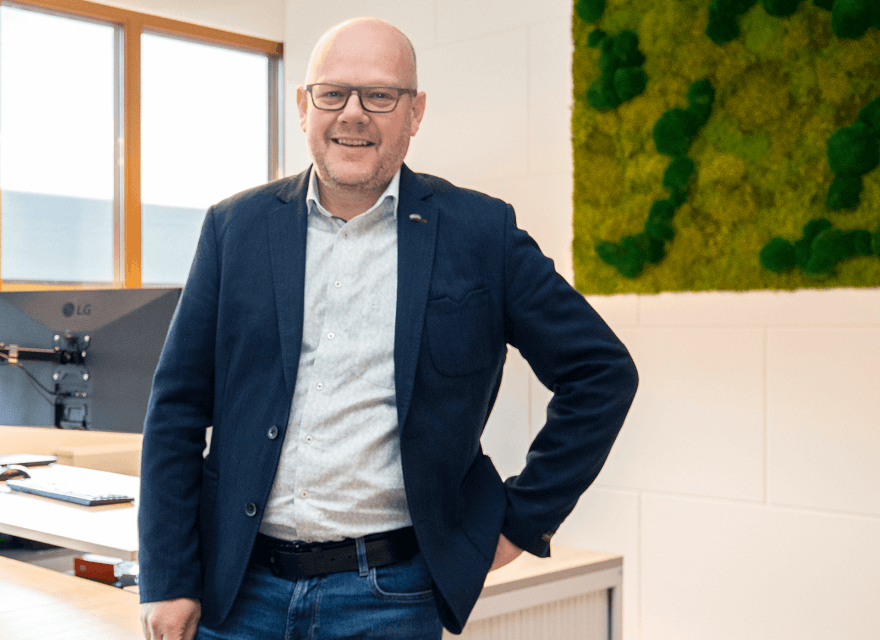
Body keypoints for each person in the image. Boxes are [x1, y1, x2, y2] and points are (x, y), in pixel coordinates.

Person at [138, 17, 638, 640]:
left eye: (379, 95)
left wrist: (522, 520)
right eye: (333, 93)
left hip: (390, 599)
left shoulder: (481, 234)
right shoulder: (234, 229)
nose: (353, 114)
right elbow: (176, 409)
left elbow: (601, 373)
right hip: (237, 593)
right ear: (304, 106)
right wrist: (167, 576)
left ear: (415, 112)